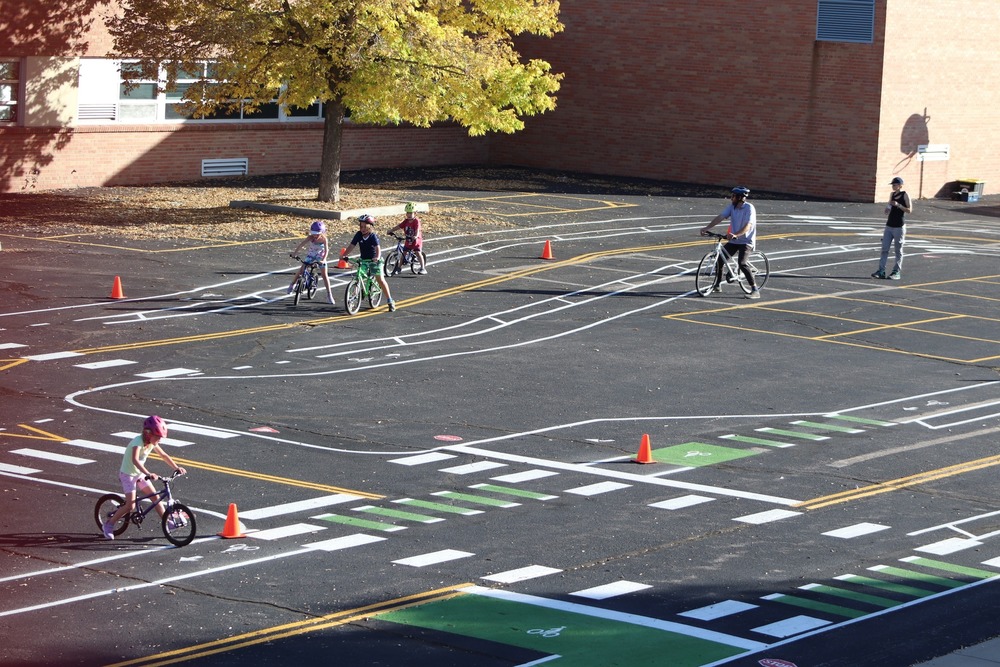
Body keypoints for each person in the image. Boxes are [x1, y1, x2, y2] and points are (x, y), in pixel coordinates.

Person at [102, 415, 187, 540]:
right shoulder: (137, 442)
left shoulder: (152, 443)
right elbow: (135, 460)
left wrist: (176, 467)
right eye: (158, 437)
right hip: (128, 475)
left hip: (139, 474)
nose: (159, 440)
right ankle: (109, 524)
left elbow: (163, 455)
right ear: (148, 434)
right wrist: (148, 473)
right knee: (130, 506)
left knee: (155, 498)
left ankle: (167, 522)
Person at [699, 186, 760, 299]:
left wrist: (736, 234)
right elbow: (721, 217)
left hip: (746, 241)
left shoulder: (749, 208)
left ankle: (755, 290)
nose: (731, 198)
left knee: (742, 263)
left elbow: (748, 225)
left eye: (733, 196)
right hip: (734, 240)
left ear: (740, 197)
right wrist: (707, 228)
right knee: (720, 260)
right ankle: (717, 285)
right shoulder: (732, 207)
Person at [340, 214, 396, 311]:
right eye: (361, 226)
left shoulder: (372, 236)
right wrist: (343, 255)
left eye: (365, 227)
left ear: (370, 227)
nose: (362, 229)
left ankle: (390, 300)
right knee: (358, 276)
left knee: (380, 280)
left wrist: (377, 257)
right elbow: (351, 246)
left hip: (374, 261)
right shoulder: (358, 235)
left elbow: (377, 248)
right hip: (364, 260)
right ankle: (354, 297)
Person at [872, 176, 912, 280]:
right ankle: (881, 270)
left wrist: (898, 205)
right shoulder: (892, 194)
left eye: (894, 185)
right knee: (884, 248)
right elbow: (889, 205)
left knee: (898, 250)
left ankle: (896, 271)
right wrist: (887, 209)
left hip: (899, 226)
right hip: (889, 225)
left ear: (900, 186)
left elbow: (909, 210)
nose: (893, 187)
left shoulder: (905, 195)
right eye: (892, 185)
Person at [288, 220, 336, 304]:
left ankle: (329, 294)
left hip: (320, 257)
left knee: (325, 275)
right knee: (301, 270)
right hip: (311, 256)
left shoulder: (324, 239)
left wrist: (323, 259)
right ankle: (292, 284)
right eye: (313, 233)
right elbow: (301, 245)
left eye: (317, 233)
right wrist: (295, 253)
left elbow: (326, 250)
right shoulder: (310, 238)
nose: (315, 235)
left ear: (322, 232)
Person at [387, 202, 427, 275]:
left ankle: (423, 268)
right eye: (407, 213)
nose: (409, 215)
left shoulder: (416, 221)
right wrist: (391, 230)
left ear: (415, 213)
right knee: (404, 253)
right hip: (408, 240)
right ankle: (399, 268)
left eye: (410, 213)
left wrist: (415, 236)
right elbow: (399, 226)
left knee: (418, 252)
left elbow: (417, 229)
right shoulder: (406, 221)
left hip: (416, 241)